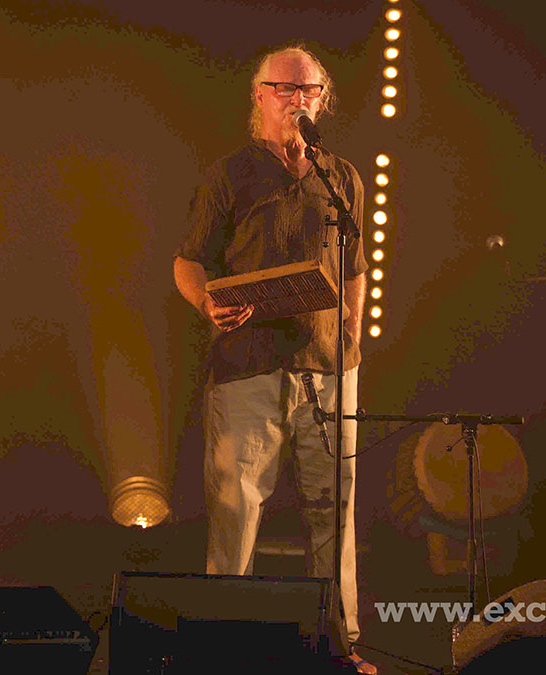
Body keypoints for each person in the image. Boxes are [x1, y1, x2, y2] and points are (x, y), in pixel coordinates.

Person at [173, 46, 374, 674]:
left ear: (323, 100)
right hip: (248, 365)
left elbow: (357, 269)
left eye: (309, 90)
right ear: (258, 96)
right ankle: (220, 648)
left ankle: (340, 647)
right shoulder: (230, 173)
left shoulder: (341, 178)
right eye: (284, 88)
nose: (298, 99)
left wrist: (353, 331)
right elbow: (188, 261)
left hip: (328, 365)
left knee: (334, 509)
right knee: (235, 508)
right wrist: (205, 300)